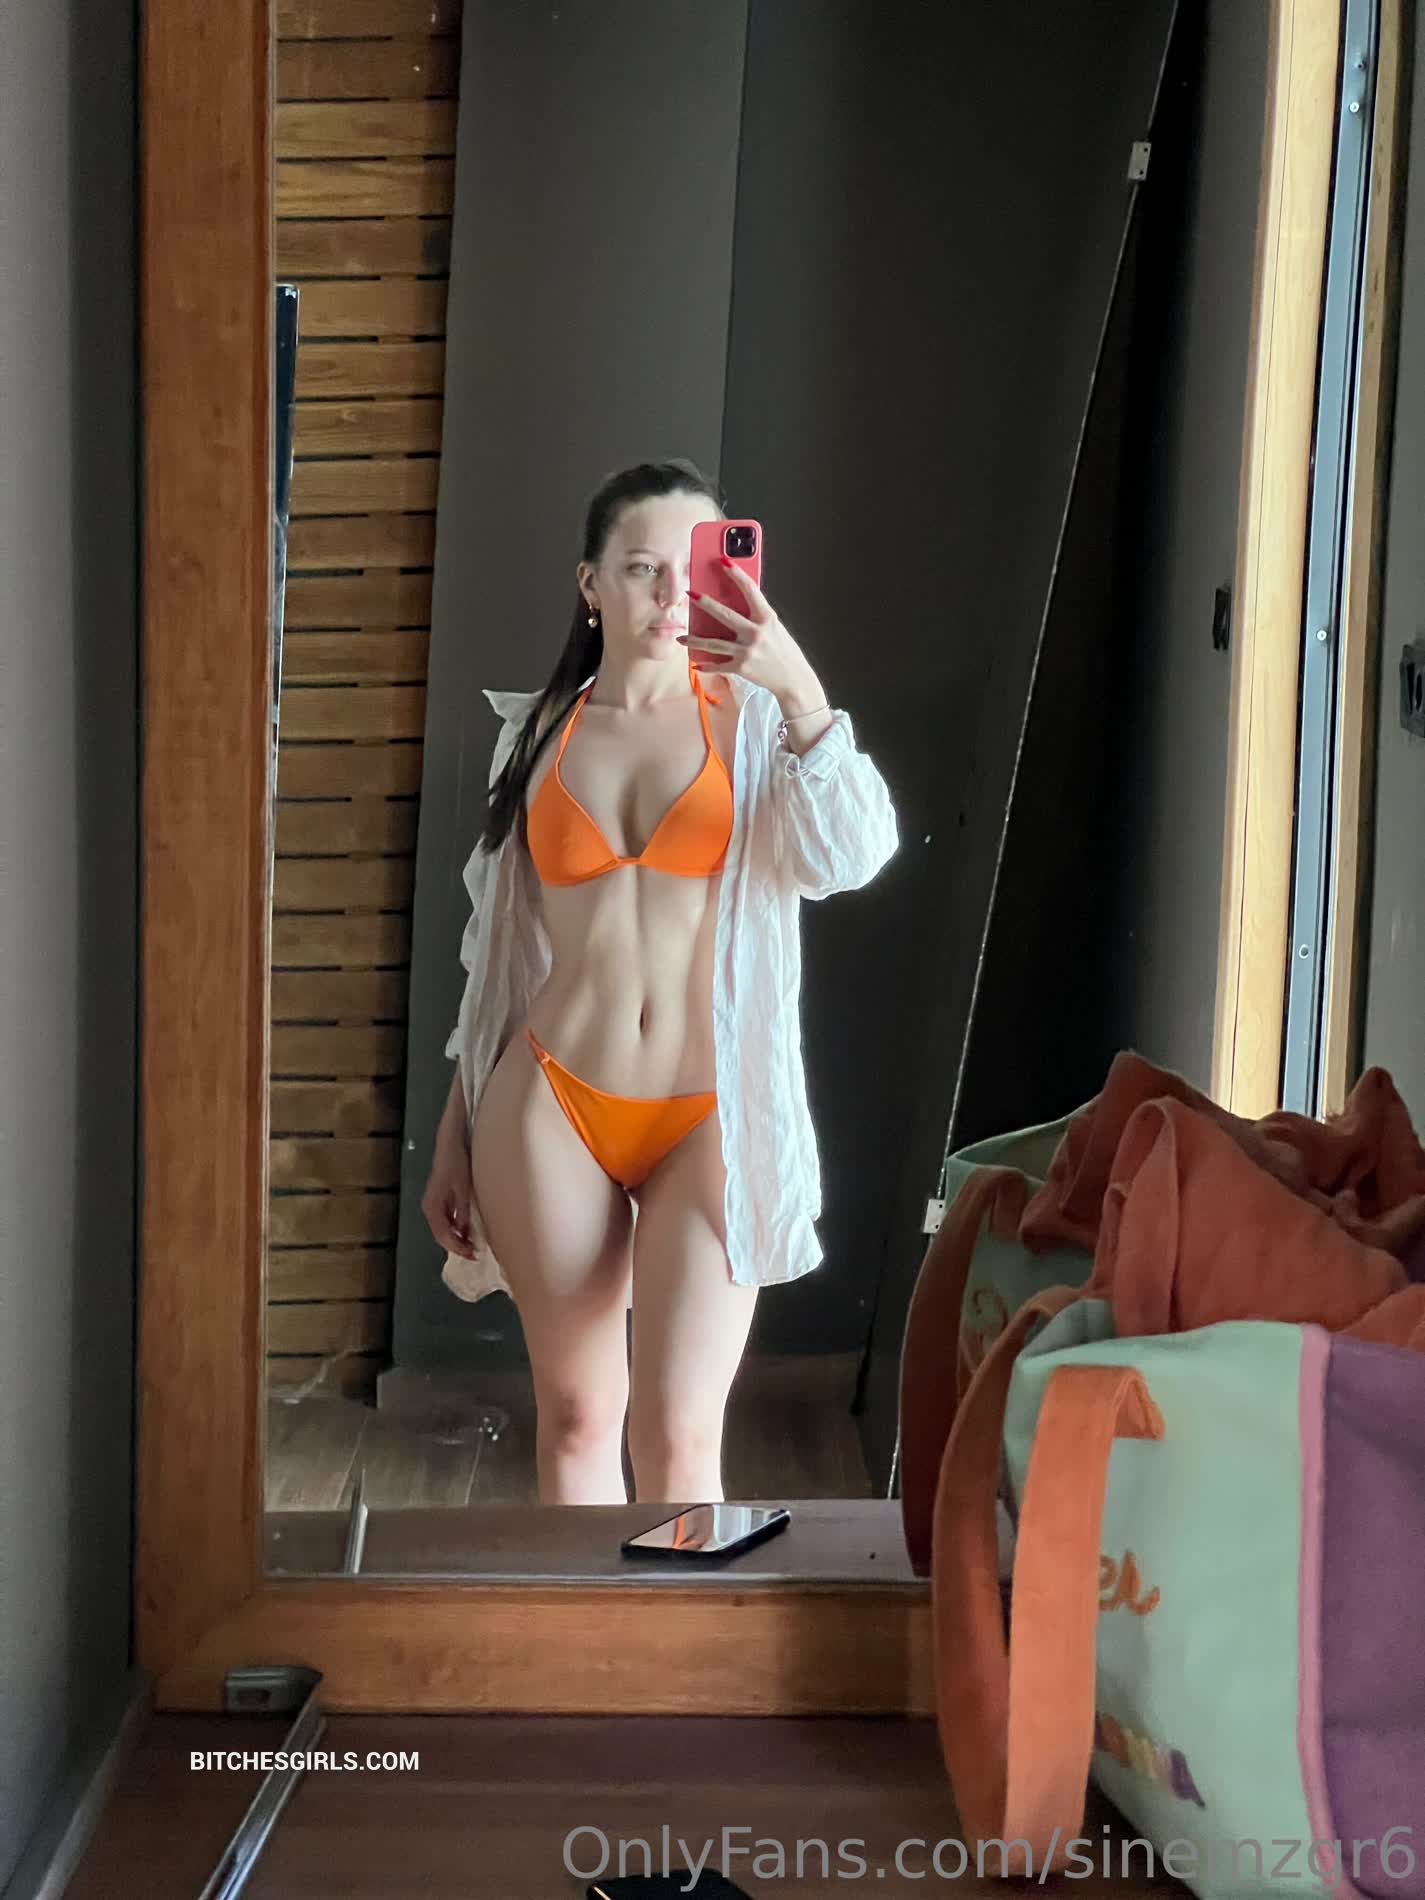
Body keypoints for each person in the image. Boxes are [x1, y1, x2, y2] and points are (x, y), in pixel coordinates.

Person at [422, 460, 898, 1505]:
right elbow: (496, 958)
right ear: (590, 583)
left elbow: (855, 856)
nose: (673, 594)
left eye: (694, 568)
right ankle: (578, 1622)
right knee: (577, 1420)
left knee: (680, 1437)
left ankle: (677, 1620)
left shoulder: (757, 725)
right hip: (553, 1100)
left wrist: (803, 691)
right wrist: (455, 1128)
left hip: (707, 1113)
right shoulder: (536, 735)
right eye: (643, 568)